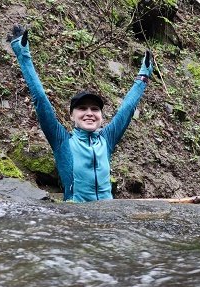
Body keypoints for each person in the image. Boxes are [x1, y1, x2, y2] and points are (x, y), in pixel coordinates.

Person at [8, 25, 153, 202]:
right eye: (82, 109)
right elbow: (40, 99)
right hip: (77, 218)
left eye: (95, 109)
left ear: (101, 116)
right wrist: (23, 55)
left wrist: (143, 76)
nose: (89, 113)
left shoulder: (107, 140)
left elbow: (126, 109)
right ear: (72, 116)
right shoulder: (62, 141)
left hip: (109, 214)